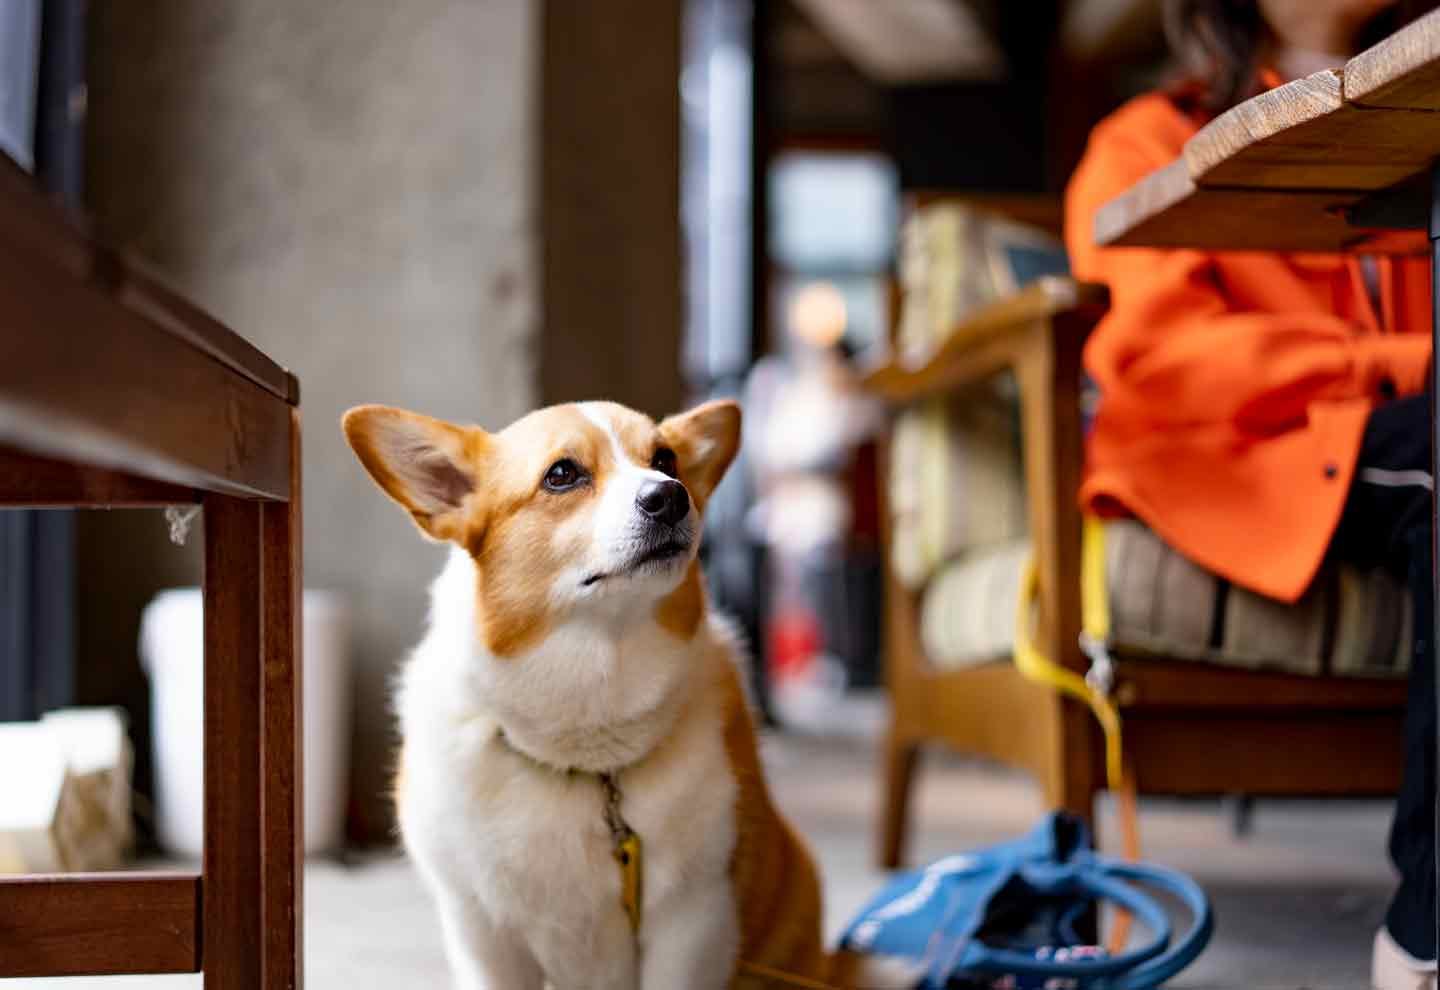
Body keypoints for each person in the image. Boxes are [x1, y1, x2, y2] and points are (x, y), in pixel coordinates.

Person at [1064, 1, 1437, 986]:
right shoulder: (1142, 140)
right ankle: (1431, 931)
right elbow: (1170, 357)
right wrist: (1406, 360)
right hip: (1231, 463)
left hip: (1387, 441)